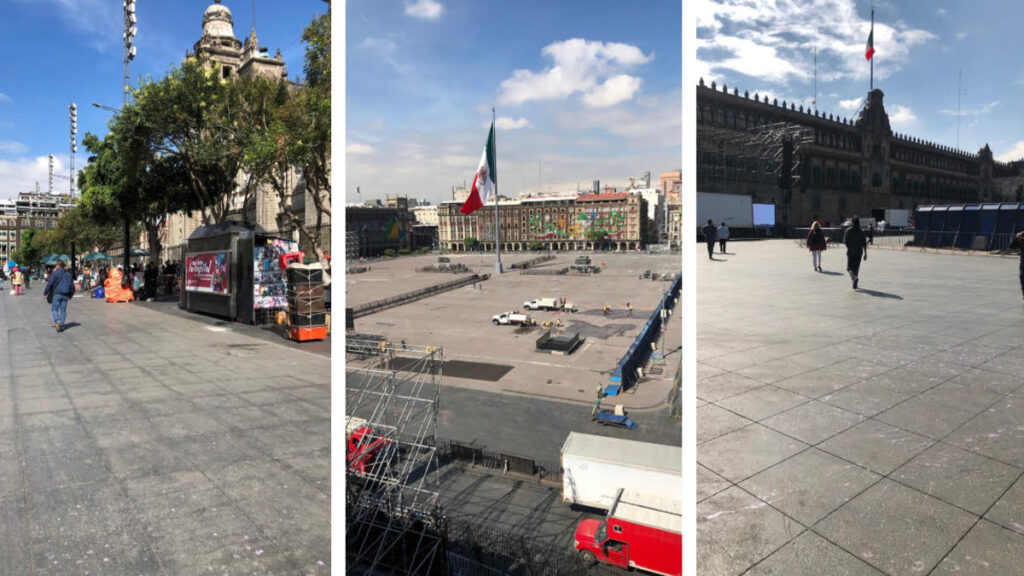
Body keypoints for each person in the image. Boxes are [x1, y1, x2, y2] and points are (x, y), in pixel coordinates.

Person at [44, 259, 75, 333]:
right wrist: (71, 294)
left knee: (54, 309)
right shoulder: (68, 274)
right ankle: (62, 325)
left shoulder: (55, 273)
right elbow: (71, 285)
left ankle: (57, 321)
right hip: (65, 294)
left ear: (58, 265)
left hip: (57, 293)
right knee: (63, 311)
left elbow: (50, 283)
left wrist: (45, 292)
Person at [844, 216, 868, 289]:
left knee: (849, 268)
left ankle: (854, 278)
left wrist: (849, 247)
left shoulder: (848, 231)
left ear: (852, 222)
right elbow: (864, 243)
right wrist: (865, 253)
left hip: (851, 252)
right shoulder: (862, 232)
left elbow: (845, 242)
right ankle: (855, 283)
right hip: (859, 252)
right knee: (856, 268)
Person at [1011, 231, 1024, 301]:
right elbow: (1012, 246)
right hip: (1023, 263)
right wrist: (1017, 238)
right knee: (1022, 277)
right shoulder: (1022, 239)